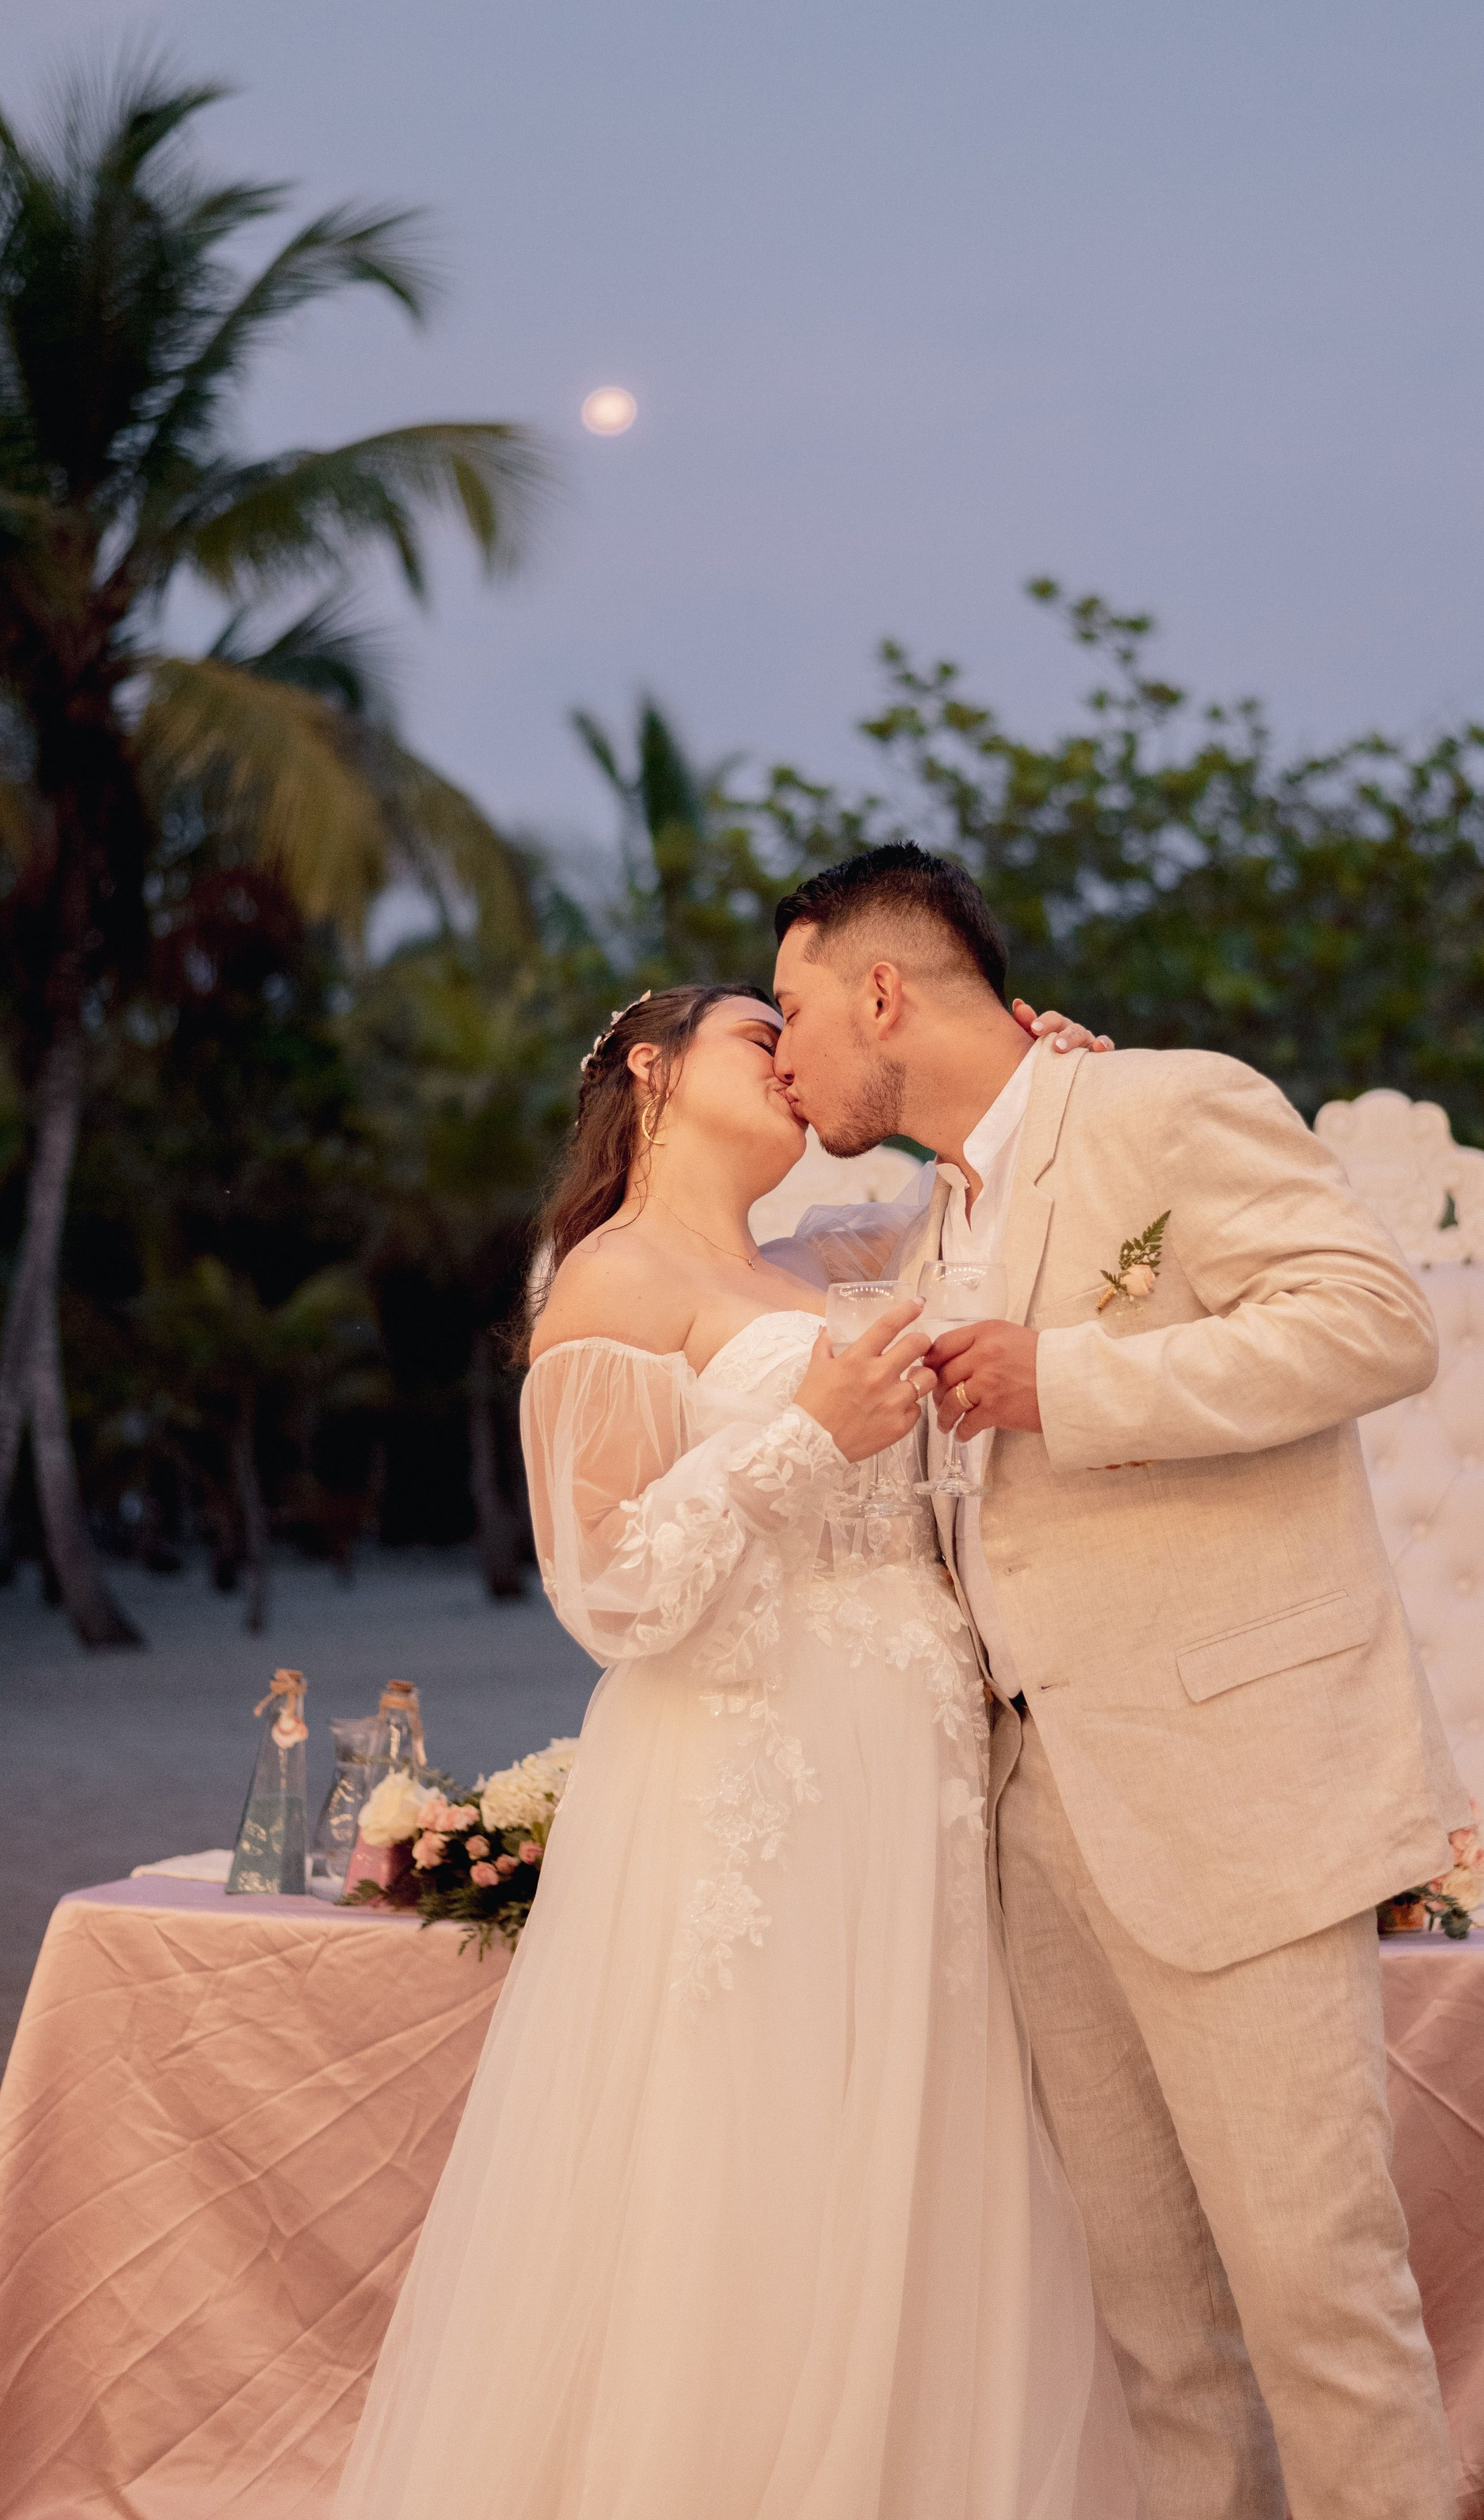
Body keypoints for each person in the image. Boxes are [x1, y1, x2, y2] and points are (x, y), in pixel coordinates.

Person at [333, 980, 1144, 2520]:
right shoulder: (610, 1283)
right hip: (741, 1765)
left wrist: (1055, 1087)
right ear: (649, 1070)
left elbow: (991, 1185)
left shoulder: (826, 1259)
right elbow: (611, 1588)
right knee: (745, 2146)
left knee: (913, 2149)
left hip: (912, 1769)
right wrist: (802, 1439)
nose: (788, 1060)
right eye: (752, 1037)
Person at [770, 844, 1466, 2520]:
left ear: (883, 992)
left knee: (1322, 2311)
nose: (785, 1061)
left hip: (1228, 1800)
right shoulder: (948, 1199)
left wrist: (1063, 1375)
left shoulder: (1159, 1105)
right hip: (1035, 1824)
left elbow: (1375, 1323)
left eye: (791, 1013)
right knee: (1157, 2341)